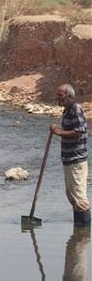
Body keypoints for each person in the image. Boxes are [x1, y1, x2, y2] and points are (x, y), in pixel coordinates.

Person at [49, 83, 90, 227]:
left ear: (69, 96)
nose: (57, 98)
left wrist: (58, 132)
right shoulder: (67, 110)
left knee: (79, 197)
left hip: (76, 159)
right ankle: (77, 232)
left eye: (60, 95)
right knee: (71, 196)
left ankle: (84, 234)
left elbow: (80, 131)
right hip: (68, 159)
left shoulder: (76, 109)